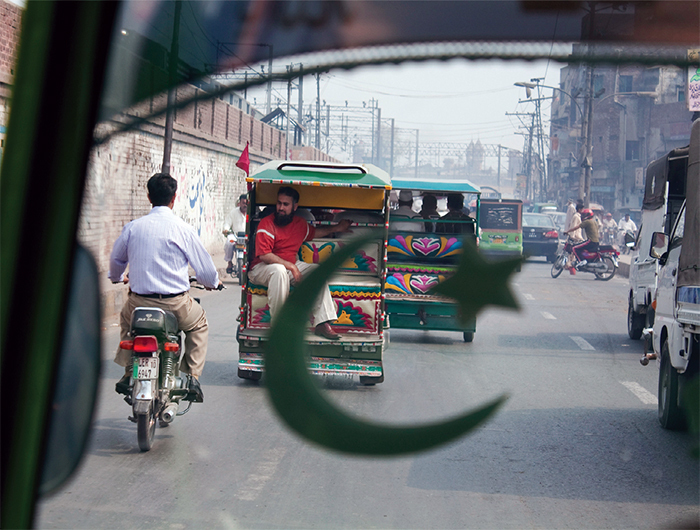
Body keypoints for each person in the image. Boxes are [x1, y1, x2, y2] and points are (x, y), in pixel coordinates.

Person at [109, 173, 222, 402]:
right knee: (199, 325)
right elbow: (207, 271)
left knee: (125, 320)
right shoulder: (183, 229)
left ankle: (128, 372)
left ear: (149, 197)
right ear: (175, 198)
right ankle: (191, 377)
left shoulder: (133, 228)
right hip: (175, 305)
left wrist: (118, 277)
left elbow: (116, 261)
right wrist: (213, 284)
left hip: (138, 303)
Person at [247, 186, 352, 340]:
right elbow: (264, 255)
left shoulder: (300, 224)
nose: (281, 208)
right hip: (261, 269)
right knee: (278, 270)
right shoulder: (266, 223)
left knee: (317, 271)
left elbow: (317, 232)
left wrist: (338, 227)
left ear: (295, 207)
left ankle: (322, 323)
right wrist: (291, 266)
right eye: (279, 203)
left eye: (285, 204)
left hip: (289, 267)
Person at [565, 208, 599, 274]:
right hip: (596, 242)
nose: (583, 216)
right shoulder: (594, 222)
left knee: (574, 248)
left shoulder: (587, 222)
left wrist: (568, 231)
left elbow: (576, 227)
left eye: (584, 214)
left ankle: (582, 261)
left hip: (591, 241)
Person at [223, 194, 247, 274]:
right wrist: (226, 230)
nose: (245, 205)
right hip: (236, 236)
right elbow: (227, 223)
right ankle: (229, 263)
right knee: (228, 243)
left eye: (246, 203)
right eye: (243, 203)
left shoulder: (251, 212)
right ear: (239, 203)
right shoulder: (233, 212)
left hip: (247, 237)